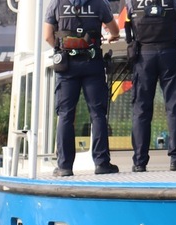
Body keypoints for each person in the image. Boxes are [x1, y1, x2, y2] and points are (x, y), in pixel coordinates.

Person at [43, 0, 120, 176]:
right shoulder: (100, 3)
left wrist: (61, 48)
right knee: (97, 114)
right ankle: (102, 164)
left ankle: (64, 167)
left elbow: (48, 36)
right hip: (93, 64)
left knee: (65, 114)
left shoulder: (56, 3)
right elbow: (114, 30)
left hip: (66, 66)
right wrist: (111, 36)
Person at [126, 0, 176, 172]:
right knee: (173, 107)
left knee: (141, 110)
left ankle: (139, 162)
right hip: (169, 53)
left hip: (143, 56)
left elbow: (129, 22)